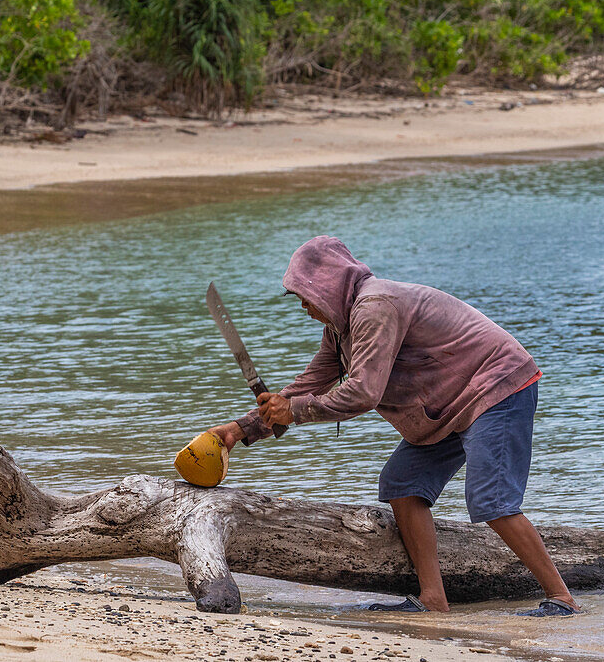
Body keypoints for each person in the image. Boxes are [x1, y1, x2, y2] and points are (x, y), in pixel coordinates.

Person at [206, 236, 579, 616]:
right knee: (403, 483)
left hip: (496, 387)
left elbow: (363, 393)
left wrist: (294, 411)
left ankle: (562, 599)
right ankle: (433, 599)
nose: (305, 308)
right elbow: (309, 384)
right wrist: (240, 430)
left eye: (306, 297)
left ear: (328, 285)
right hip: (446, 404)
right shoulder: (341, 327)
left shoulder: (375, 307)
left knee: (491, 500)